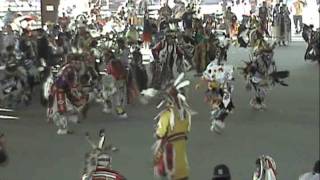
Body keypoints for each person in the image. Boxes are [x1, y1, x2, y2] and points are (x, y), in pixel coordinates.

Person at [153, 73, 192, 180]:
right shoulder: (186, 114)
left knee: (171, 171)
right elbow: (187, 129)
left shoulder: (166, 115)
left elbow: (159, 134)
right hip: (182, 162)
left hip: (170, 156)